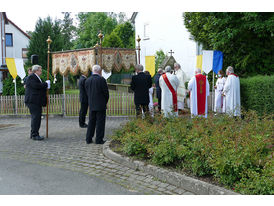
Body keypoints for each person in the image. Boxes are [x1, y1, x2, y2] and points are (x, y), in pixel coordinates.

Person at [25, 65, 50, 140]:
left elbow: (38, 87)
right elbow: (36, 86)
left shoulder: (35, 77)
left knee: (36, 118)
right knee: (36, 118)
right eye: (40, 70)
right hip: (33, 101)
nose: (41, 72)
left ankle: (33, 133)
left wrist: (45, 85)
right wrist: (45, 84)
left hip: (35, 101)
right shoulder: (32, 77)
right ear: (36, 71)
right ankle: (35, 135)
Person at [85, 65, 109, 144]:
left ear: (93, 71)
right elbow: (106, 93)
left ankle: (88, 138)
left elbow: (87, 92)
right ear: (99, 71)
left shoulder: (87, 80)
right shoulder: (102, 80)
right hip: (100, 105)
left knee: (91, 122)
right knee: (100, 123)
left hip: (91, 104)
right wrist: (105, 102)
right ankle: (99, 139)